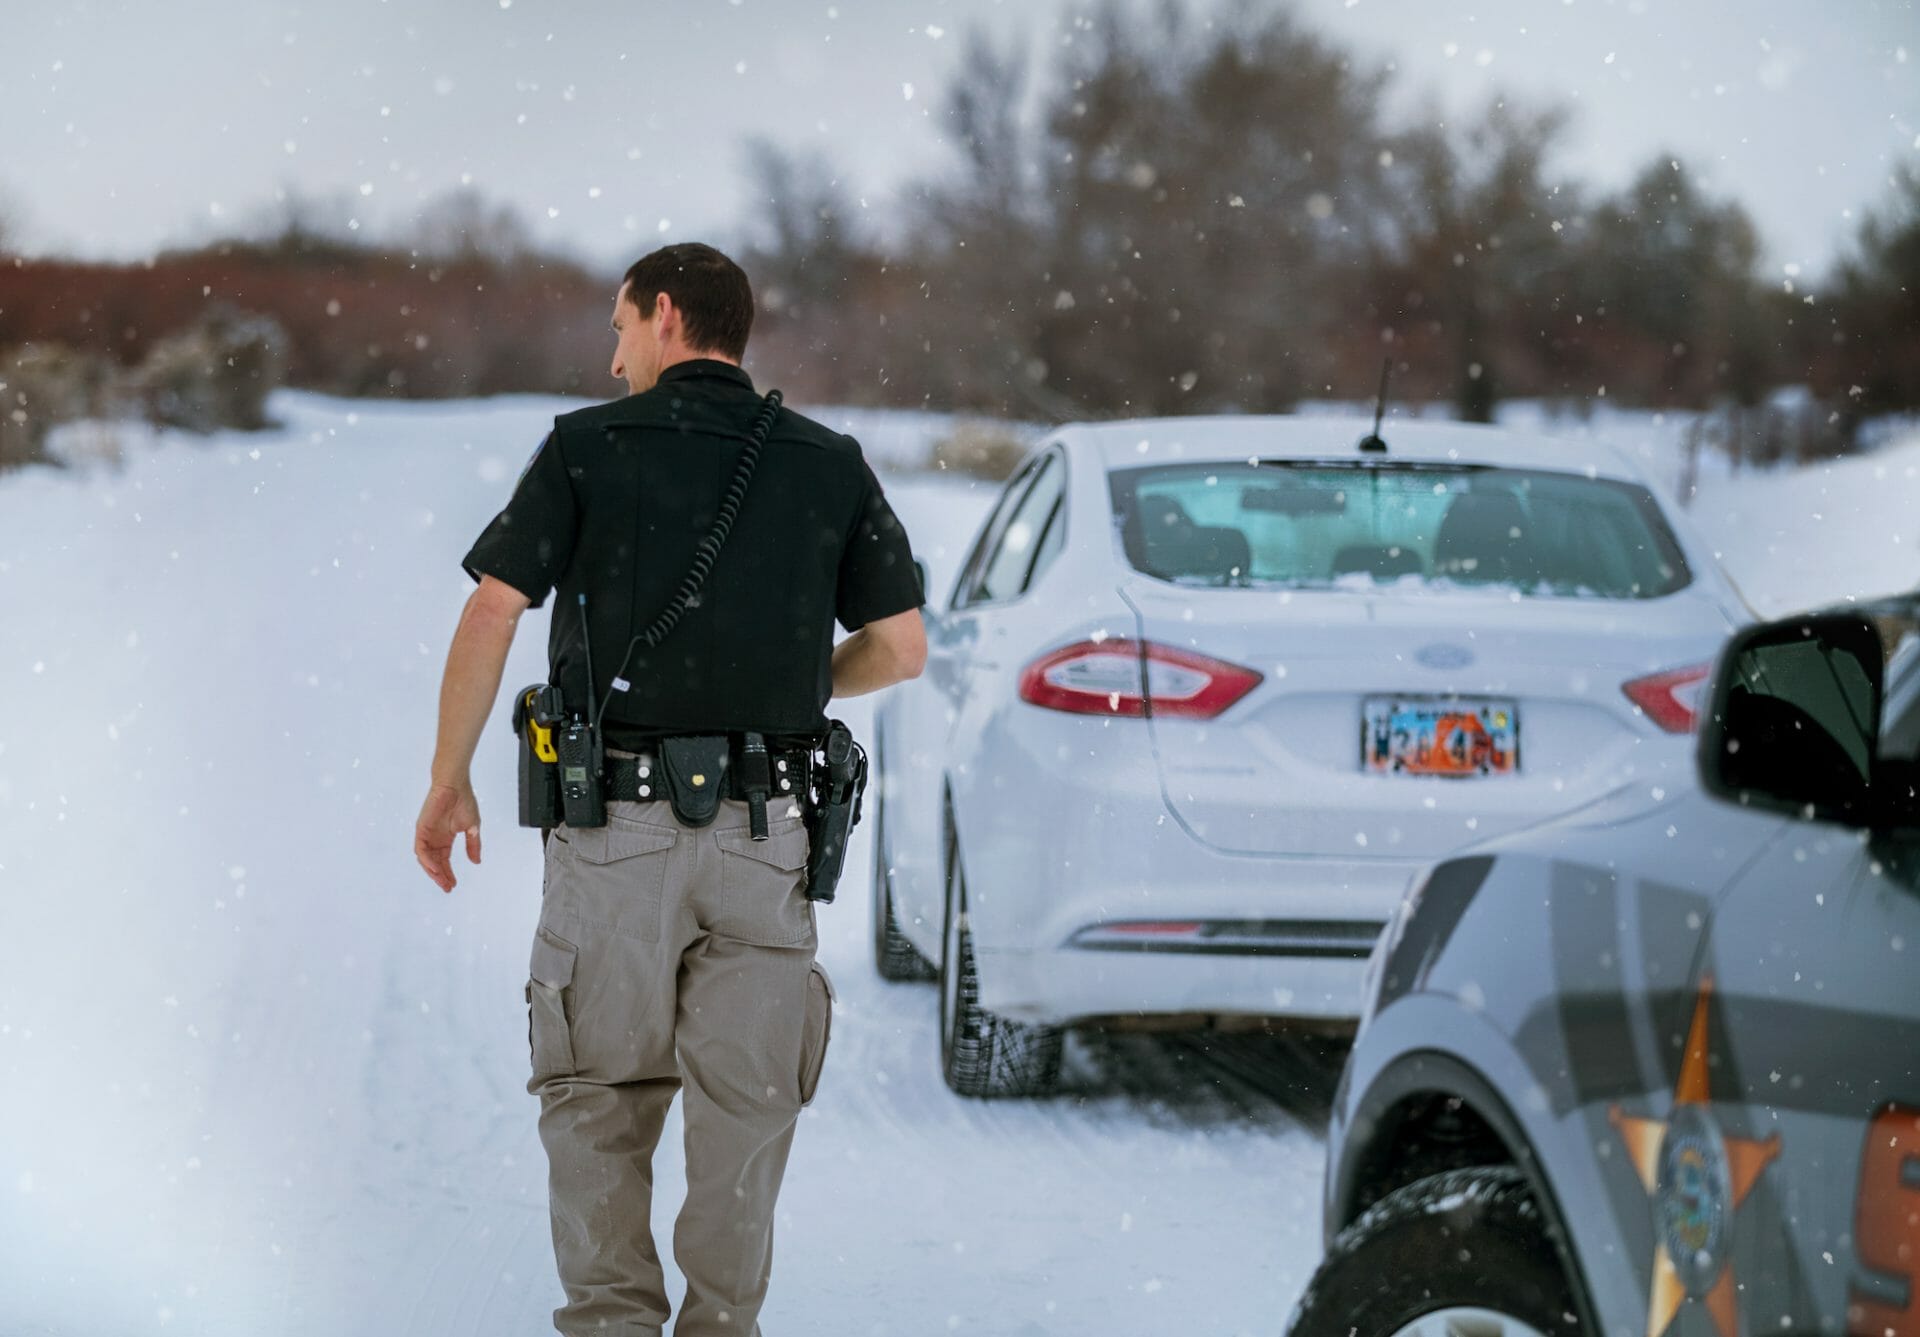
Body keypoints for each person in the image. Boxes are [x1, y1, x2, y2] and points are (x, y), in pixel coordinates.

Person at [412, 241, 926, 1336]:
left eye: (618, 326)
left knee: (599, 1094)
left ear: (665, 316)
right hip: (768, 838)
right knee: (748, 1109)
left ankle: (611, 1322)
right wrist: (802, 691)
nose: (611, 357)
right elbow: (903, 645)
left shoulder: (586, 449)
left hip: (616, 837)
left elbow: (493, 610)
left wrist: (449, 776)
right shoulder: (829, 461)